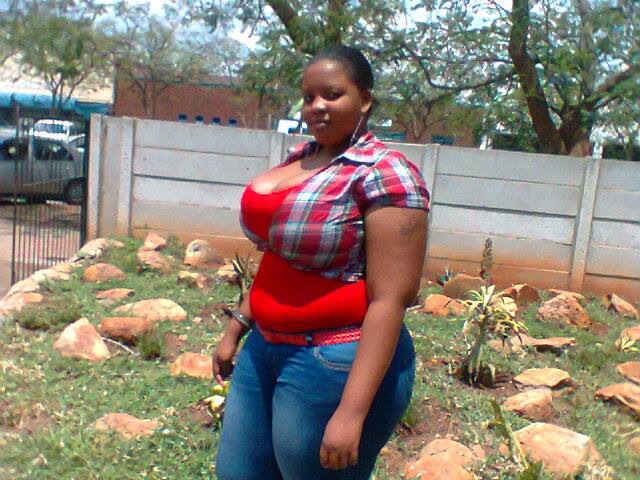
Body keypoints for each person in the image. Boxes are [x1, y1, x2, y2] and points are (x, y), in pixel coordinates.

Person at [213, 45, 430, 480]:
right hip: (263, 349)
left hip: (331, 359)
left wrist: (351, 413)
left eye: (332, 94)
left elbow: (391, 299)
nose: (317, 106)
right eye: (309, 97)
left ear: (364, 100)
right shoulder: (300, 160)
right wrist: (237, 326)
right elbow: (279, 258)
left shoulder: (385, 172)